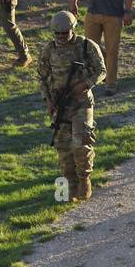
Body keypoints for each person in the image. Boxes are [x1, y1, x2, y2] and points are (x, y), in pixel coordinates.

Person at [37, 11, 107, 198]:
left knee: (81, 143)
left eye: (64, 33)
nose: (60, 37)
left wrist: (85, 85)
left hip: (81, 103)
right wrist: (49, 101)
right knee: (63, 148)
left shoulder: (86, 46)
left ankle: (84, 179)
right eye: (57, 34)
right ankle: (68, 188)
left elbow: (101, 71)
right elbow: (42, 77)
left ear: (73, 29)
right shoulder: (48, 50)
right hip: (60, 106)